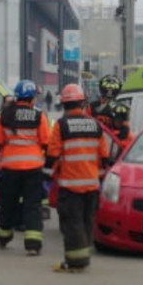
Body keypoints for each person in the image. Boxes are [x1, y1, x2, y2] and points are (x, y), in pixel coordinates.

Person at [46, 84, 109, 272]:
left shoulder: (61, 126)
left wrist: (45, 178)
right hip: (91, 185)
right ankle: (84, 256)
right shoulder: (95, 125)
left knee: (71, 223)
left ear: (63, 105)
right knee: (86, 221)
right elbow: (103, 156)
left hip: (70, 185)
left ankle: (76, 261)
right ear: (82, 103)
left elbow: (53, 155)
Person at [0, 80, 49, 255]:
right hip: (34, 168)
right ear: (31, 99)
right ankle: (33, 244)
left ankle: (4, 236)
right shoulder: (39, 117)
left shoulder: (5, 116)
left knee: (8, 204)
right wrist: (48, 171)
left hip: (9, 168)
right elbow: (46, 144)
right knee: (32, 205)